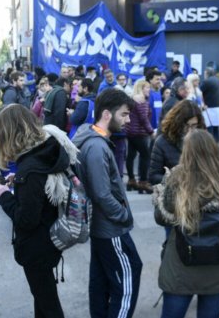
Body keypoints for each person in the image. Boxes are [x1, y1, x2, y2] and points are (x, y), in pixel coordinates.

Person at [153, 130, 219, 318]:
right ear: (215, 150)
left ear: (186, 153)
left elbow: (161, 218)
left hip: (179, 269)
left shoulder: (176, 180)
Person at [0, 105, 76, 318]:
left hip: (36, 248)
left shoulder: (29, 168)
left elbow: (26, 220)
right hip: (49, 239)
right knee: (44, 300)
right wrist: (19, 182)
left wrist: (3, 195)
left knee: (48, 306)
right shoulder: (45, 150)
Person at [72, 88, 142, 318]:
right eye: (124, 114)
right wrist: (123, 215)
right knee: (127, 280)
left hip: (104, 227)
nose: (128, 120)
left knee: (101, 279)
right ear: (106, 114)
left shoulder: (93, 140)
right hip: (110, 228)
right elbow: (102, 194)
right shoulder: (97, 147)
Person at [150, 100, 206, 185]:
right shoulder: (162, 142)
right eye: (186, 125)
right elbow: (153, 176)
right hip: (174, 194)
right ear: (177, 123)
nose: (190, 130)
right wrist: (174, 178)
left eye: (194, 125)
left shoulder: (203, 140)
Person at [125, 79, 154, 194]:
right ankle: (143, 182)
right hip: (139, 133)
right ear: (142, 88)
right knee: (146, 155)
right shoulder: (141, 100)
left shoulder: (133, 99)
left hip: (130, 132)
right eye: (147, 88)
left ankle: (131, 180)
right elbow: (144, 119)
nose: (149, 90)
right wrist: (151, 132)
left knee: (131, 155)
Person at [201, 70, 219, 141]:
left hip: (211, 109)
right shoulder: (218, 80)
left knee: (210, 130)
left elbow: (199, 91)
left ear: (206, 73)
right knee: (216, 130)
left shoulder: (206, 81)